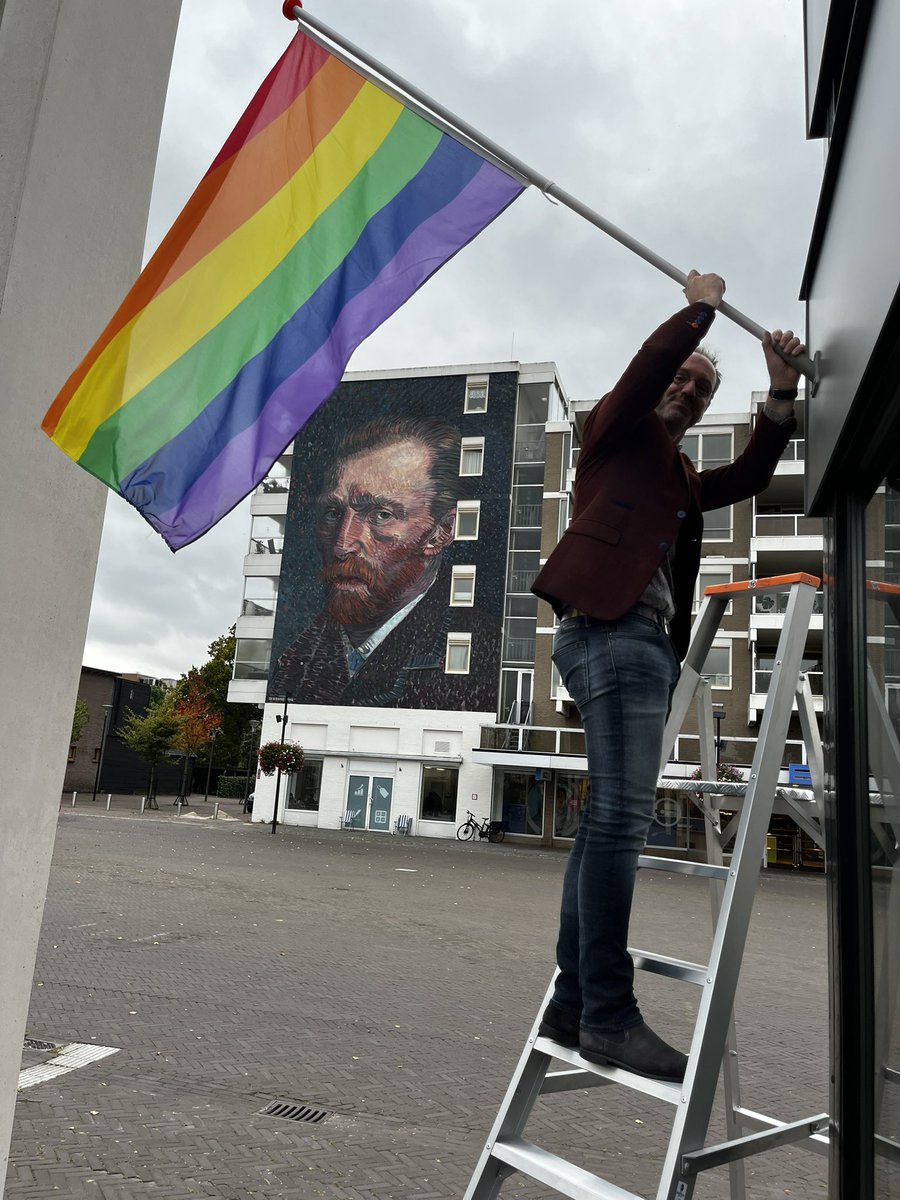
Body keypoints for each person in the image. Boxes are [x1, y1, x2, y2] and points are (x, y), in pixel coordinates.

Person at [531, 270, 804, 1081]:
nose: (688, 389)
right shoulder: (614, 431)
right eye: (684, 378)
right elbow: (646, 371)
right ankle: (608, 1015)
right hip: (611, 631)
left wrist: (779, 394)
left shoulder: (680, 477)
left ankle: (573, 1004)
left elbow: (748, 478)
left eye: (703, 388)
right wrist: (699, 313)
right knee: (620, 823)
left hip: (638, 640)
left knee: (602, 828)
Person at [270, 414, 499, 709]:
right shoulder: (293, 658)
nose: (342, 545)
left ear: (440, 533)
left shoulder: (483, 652)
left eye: (381, 515)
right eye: (332, 513)